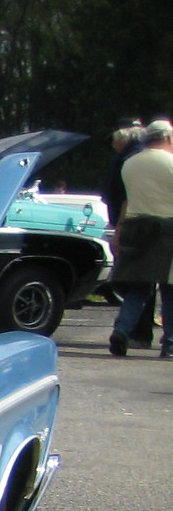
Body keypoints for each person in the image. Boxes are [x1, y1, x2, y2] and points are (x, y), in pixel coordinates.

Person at [109, 119, 173, 358]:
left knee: (139, 287)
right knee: (170, 290)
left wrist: (119, 231)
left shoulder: (129, 163)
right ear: (168, 138)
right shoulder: (171, 162)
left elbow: (126, 200)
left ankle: (122, 330)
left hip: (136, 226)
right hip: (168, 228)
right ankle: (170, 343)